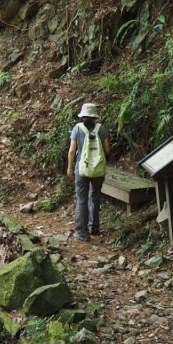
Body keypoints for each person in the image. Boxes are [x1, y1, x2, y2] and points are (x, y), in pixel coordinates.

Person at [67, 102, 110, 242]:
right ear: (95, 116)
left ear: (82, 116)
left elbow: (72, 151)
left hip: (81, 169)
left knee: (82, 199)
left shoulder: (77, 129)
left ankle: (82, 232)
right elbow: (107, 150)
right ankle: (94, 227)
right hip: (98, 169)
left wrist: (69, 168)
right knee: (95, 197)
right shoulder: (101, 129)